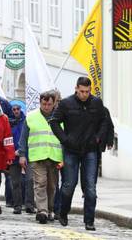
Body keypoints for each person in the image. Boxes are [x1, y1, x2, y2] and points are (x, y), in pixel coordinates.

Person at [49, 77, 107, 231]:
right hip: (71, 150)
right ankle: (63, 212)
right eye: (81, 91)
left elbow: (104, 120)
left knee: (90, 188)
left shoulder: (96, 103)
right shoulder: (66, 103)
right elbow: (54, 122)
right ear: (76, 88)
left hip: (90, 150)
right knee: (69, 184)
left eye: (87, 91)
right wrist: (65, 139)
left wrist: (98, 137)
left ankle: (89, 220)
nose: (84, 94)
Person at [19, 91, 63, 224]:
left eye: (49, 104)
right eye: (44, 103)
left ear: (54, 103)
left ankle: (49, 210)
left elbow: (64, 138)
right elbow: (23, 138)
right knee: (40, 183)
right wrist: (22, 155)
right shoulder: (31, 117)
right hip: (37, 157)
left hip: (54, 157)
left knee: (52, 186)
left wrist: (64, 158)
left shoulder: (60, 118)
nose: (46, 106)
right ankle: (42, 211)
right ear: (40, 102)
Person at [8, 104, 26, 215]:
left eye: (17, 109)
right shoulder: (9, 123)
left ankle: (29, 204)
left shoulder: (26, 121)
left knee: (30, 181)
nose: (16, 111)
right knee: (15, 182)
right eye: (14, 109)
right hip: (13, 156)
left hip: (26, 155)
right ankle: (17, 206)